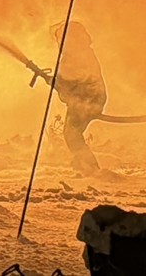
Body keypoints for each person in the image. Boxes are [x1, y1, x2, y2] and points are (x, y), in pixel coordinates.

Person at [41, 21, 107, 175]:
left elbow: (72, 80)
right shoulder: (83, 53)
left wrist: (54, 81)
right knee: (72, 134)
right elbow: (69, 81)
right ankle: (85, 166)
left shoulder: (75, 56)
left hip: (86, 99)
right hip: (90, 98)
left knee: (72, 134)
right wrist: (55, 81)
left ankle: (91, 169)